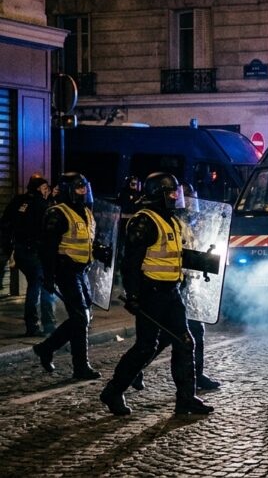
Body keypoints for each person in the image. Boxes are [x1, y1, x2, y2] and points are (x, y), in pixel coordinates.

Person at [100, 173, 211, 415]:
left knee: (185, 342)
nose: (175, 197)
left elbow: (176, 255)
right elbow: (130, 263)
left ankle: (186, 398)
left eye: (175, 193)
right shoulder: (144, 221)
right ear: (157, 194)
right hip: (151, 294)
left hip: (172, 292)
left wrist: (205, 262)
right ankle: (113, 391)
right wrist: (133, 296)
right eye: (170, 192)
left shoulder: (171, 220)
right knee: (146, 347)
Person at [130, 182, 221, 392]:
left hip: (187, 283)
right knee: (172, 335)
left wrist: (207, 261)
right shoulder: (172, 221)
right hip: (172, 285)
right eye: (187, 198)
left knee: (187, 332)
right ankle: (136, 370)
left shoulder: (189, 221)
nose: (191, 203)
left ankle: (195, 377)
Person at [31, 173, 105, 379]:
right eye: (79, 188)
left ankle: (46, 348)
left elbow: (87, 241)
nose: (83, 191)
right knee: (80, 317)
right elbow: (47, 249)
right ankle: (80, 367)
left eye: (85, 187)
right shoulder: (57, 213)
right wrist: (48, 277)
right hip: (66, 271)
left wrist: (99, 251)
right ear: (68, 190)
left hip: (82, 271)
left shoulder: (86, 212)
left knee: (83, 317)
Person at [1, 175, 55, 336]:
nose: (47, 191)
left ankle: (37, 324)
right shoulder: (42, 205)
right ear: (39, 188)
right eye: (45, 188)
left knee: (35, 284)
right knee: (37, 286)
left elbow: (5, 221)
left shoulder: (18, 200)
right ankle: (35, 325)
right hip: (34, 252)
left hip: (19, 250)